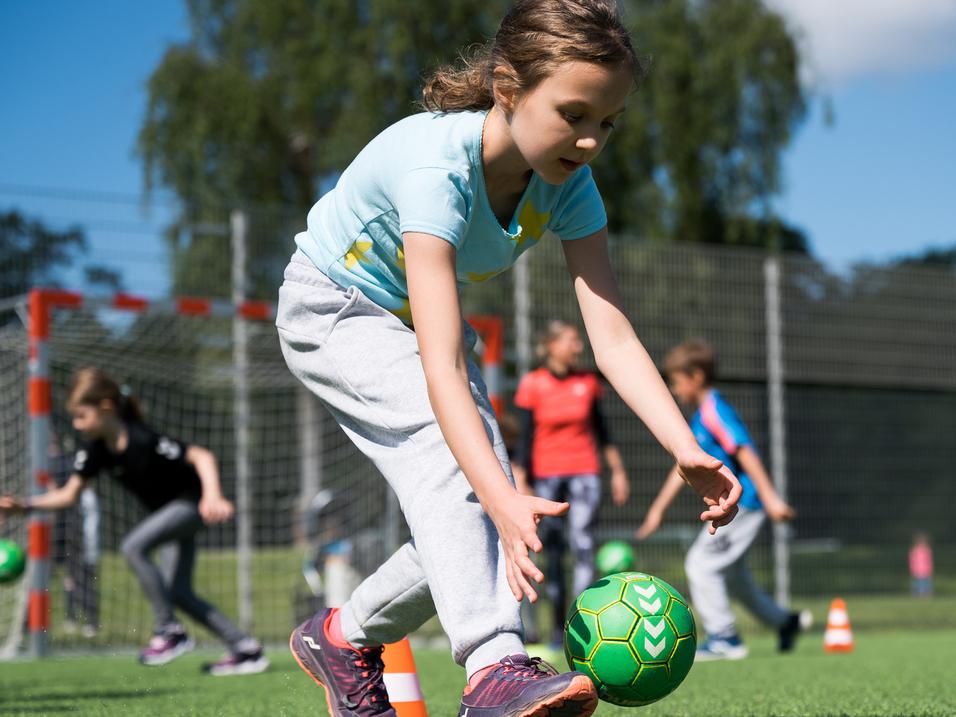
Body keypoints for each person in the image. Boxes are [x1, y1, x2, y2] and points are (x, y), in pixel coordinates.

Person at [277, 2, 741, 715]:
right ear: (507, 89)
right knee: (468, 473)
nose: (589, 141)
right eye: (574, 113)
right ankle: (494, 667)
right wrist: (494, 493)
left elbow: (610, 334)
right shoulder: (436, 167)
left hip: (410, 323)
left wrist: (686, 447)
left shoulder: (570, 187)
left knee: (476, 505)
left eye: (607, 123)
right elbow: (439, 368)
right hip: (334, 308)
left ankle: (344, 635)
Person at [0, 368, 268, 676]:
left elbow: (202, 456)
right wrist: (25, 505)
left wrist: (213, 495)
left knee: (132, 547)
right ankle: (245, 649)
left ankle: (169, 630)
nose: (76, 424)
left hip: (191, 506)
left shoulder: (142, 438)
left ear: (105, 407)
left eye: (81, 416)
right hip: (169, 519)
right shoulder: (96, 451)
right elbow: (68, 495)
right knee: (178, 591)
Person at [637, 339, 810, 660]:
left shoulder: (715, 410)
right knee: (733, 576)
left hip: (743, 504)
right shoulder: (699, 418)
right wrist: (657, 510)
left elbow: (746, 451)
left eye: (677, 382)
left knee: (701, 565)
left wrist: (771, 498)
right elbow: (683, 467)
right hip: (737, 505)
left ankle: (724, 638)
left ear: (697, 376)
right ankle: (785, 623)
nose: (675, 391)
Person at [513, 319, 629, 648]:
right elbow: (524, 439)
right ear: (550, 346)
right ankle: (556, 629)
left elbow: (602, 431)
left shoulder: (588, 382)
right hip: (546, 476)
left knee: (583, 545)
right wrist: (521, 478)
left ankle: (583, 623)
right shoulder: (533, 384)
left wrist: (617, 471)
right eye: (570, 341)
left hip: (584, 472)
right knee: (551, 551)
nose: (577, 347)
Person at [909, 533, 933, 598]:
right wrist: (913, 568)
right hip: (917, 570)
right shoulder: (915, 551)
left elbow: (929, 561)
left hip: (926, 570)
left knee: (927, 583)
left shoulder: (927, 550)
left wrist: (930, 568)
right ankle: (918, 594)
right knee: (918, 583)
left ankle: (927, 594)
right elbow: (912, 561)